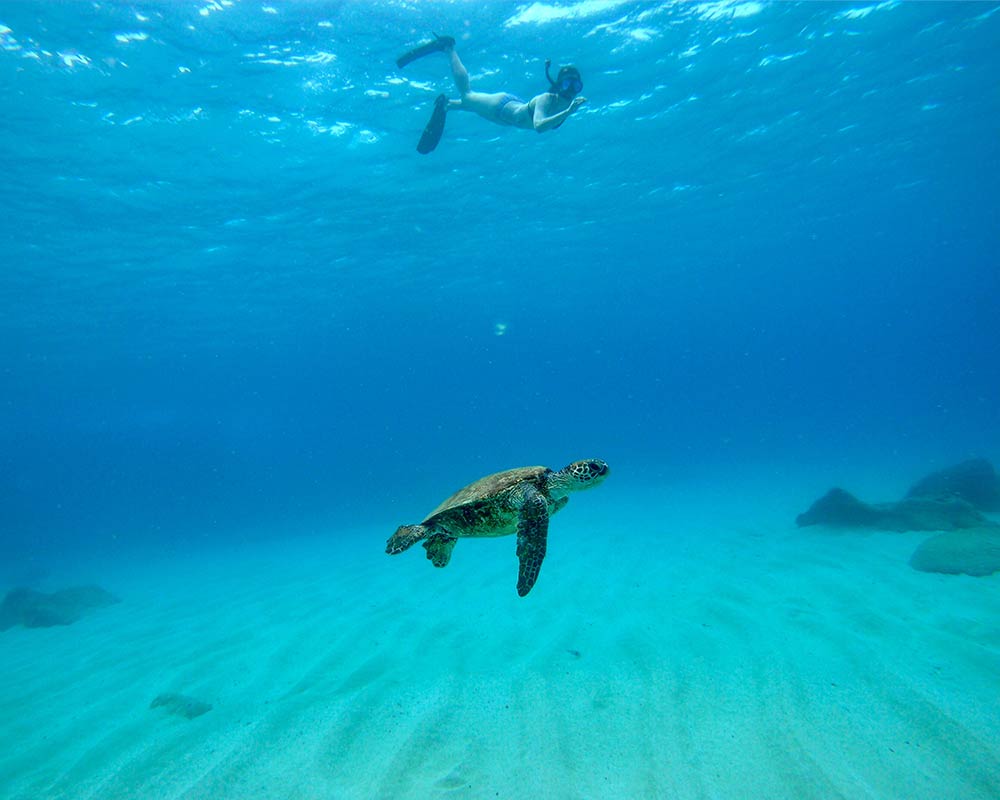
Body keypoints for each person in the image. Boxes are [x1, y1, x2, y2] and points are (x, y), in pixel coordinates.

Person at [396, 34, 588, 154]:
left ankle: (448, 104)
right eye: (567, 84)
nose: (571, 90)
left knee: (470, 104)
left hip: (506, 117)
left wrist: (568, 110)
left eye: (575, 85)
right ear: (558, 85)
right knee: (467, 94)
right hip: (501, 106)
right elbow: (538, 126)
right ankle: (448, 47)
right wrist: (569, 112)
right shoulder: (548, 99)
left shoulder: (564, 104)